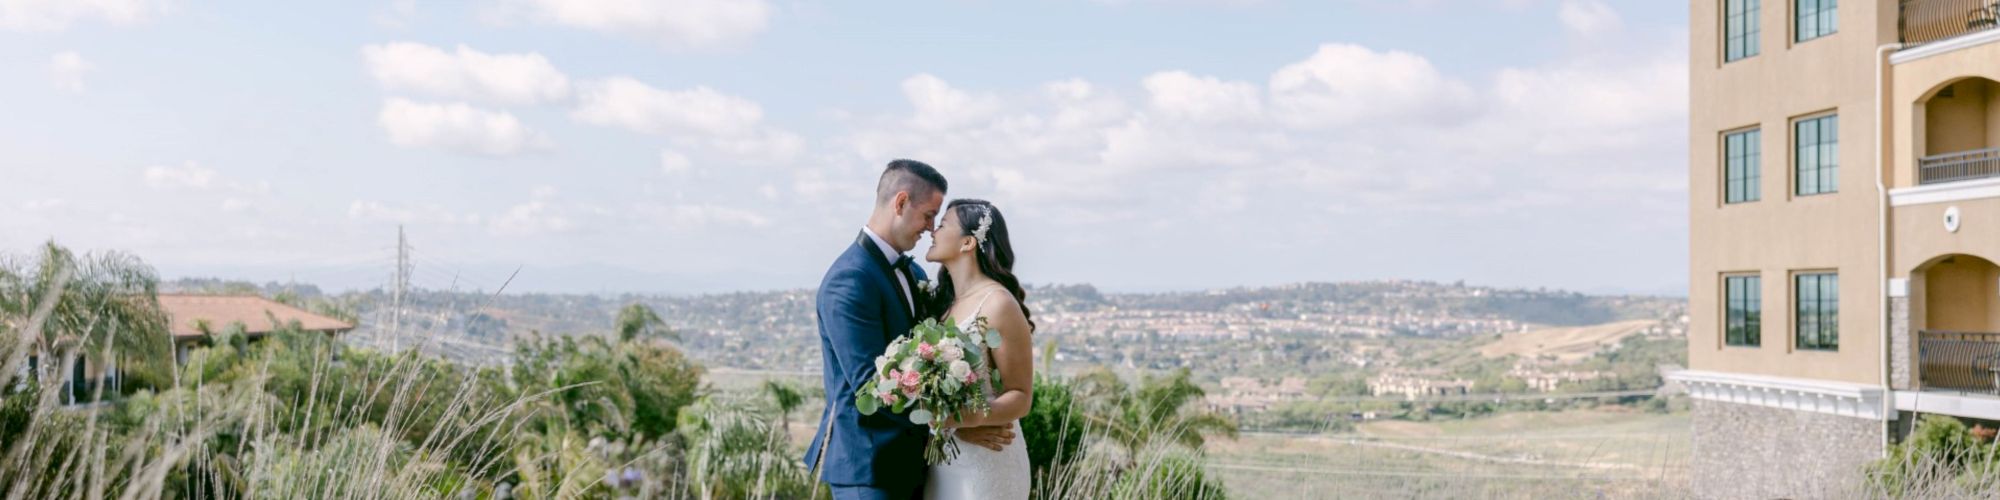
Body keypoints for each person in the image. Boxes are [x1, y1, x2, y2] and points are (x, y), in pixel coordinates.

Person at [805, 160, 1015, 500]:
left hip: (914, 464)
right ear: (901, 203)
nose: (931, 228)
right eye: (929, 214)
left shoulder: (915, 273)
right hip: (869, 467)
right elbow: (871, 389)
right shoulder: (849, 280)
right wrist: (956, 425)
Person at [922, 199, 1034, 500]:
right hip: (946, 459)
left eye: (943, 224)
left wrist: (964, 418)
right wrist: (950, 425)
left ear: (968, 242)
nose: (932, 231)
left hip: (988, 460)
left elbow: (1021, 396)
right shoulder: (942, 305)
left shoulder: (998, 303)